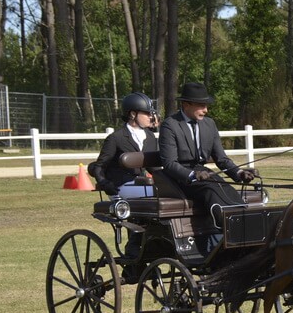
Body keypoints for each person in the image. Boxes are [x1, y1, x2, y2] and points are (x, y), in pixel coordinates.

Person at [159, 82, 258, 253]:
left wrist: (239, 172)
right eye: (201, 105)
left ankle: (244, 230)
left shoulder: (209, 124)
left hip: (204, 173)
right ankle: (228, 231)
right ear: (186, 104)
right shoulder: (170, 125)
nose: (206, 110)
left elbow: (222, 159)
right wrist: (192, 175)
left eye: (206, 105)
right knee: (211, 189)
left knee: (227, 189)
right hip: (181, 178)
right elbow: (169, 164)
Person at [90, 92, 158, 198]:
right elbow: (100, 166)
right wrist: (104, 183)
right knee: (155, 193)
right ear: (133, 114)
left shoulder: (150, 136)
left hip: (140, 182)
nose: (151, 117)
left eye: (151, 113)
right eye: (147, 113)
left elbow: (152, 167)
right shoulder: (116, 138)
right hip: (120, 185)